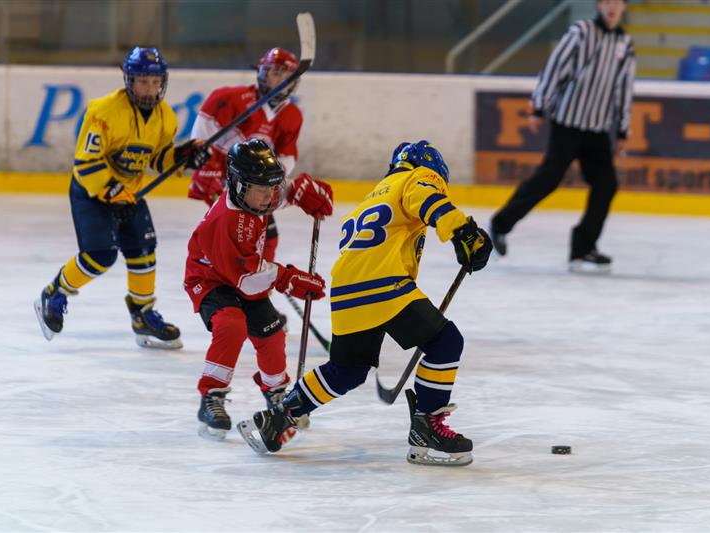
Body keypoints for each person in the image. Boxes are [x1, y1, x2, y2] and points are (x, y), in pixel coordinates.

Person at [238, 140, 493, 467]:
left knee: (347, 370)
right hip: (382, 281)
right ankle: (427, 426)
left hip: (346, 287)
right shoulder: (415, 178)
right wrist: (464, 232)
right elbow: (429, 200)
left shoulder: (377, 193)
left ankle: (278, 418)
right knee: (445, 342)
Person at [34, 46, 211, 349]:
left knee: (143, 249)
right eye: (143, 81)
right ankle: (54, 293)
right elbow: (86, 164)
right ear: (129, 80)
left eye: (155, 82)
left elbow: (155, 160)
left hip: (129, 192)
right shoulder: (103, 111)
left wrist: (181, 156)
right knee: (100, 255)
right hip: (91, 190)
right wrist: (113, 193)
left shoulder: (166, 117)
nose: (150, 88)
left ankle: (142, 315)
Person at [186, 139, 332, 440]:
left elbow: (278, 193)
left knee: (272, 331)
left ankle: (278, 395)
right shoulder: (226, 221)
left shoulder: (253, 195)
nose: (270, 197)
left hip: (243, 274)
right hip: (212, 280)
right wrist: (289, 279)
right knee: (231, 325)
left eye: (272, 187)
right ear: (239, 186)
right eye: (262, 189)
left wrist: (300, 191)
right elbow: (246, 280)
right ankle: (211, 397)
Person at [489, 0, 635, 273]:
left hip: (598, 129)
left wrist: (623, 129)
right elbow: (554, 68)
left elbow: (623, 88)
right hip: (567, 123)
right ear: (598, 4)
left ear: (624, 6)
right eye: (606, 1)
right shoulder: (581, 32)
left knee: (606, 184)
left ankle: (583, 248)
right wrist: (538, 106)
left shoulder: (625, 44)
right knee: (548, 179)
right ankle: (499, 225)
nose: (611, 6)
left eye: (617, 1)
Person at [187, 47, 303, 266]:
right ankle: (237, 282)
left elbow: (287, 154)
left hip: (254, 186)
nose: (279, 80)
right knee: (237, 234)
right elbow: (201, 141)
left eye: (286, 76)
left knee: (267, 236)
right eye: (274, 73)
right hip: (220, 180)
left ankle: (257, 289)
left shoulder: (292, 115)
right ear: (262, 73)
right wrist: (208, 171)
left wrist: (271, 182)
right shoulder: (227, 99)